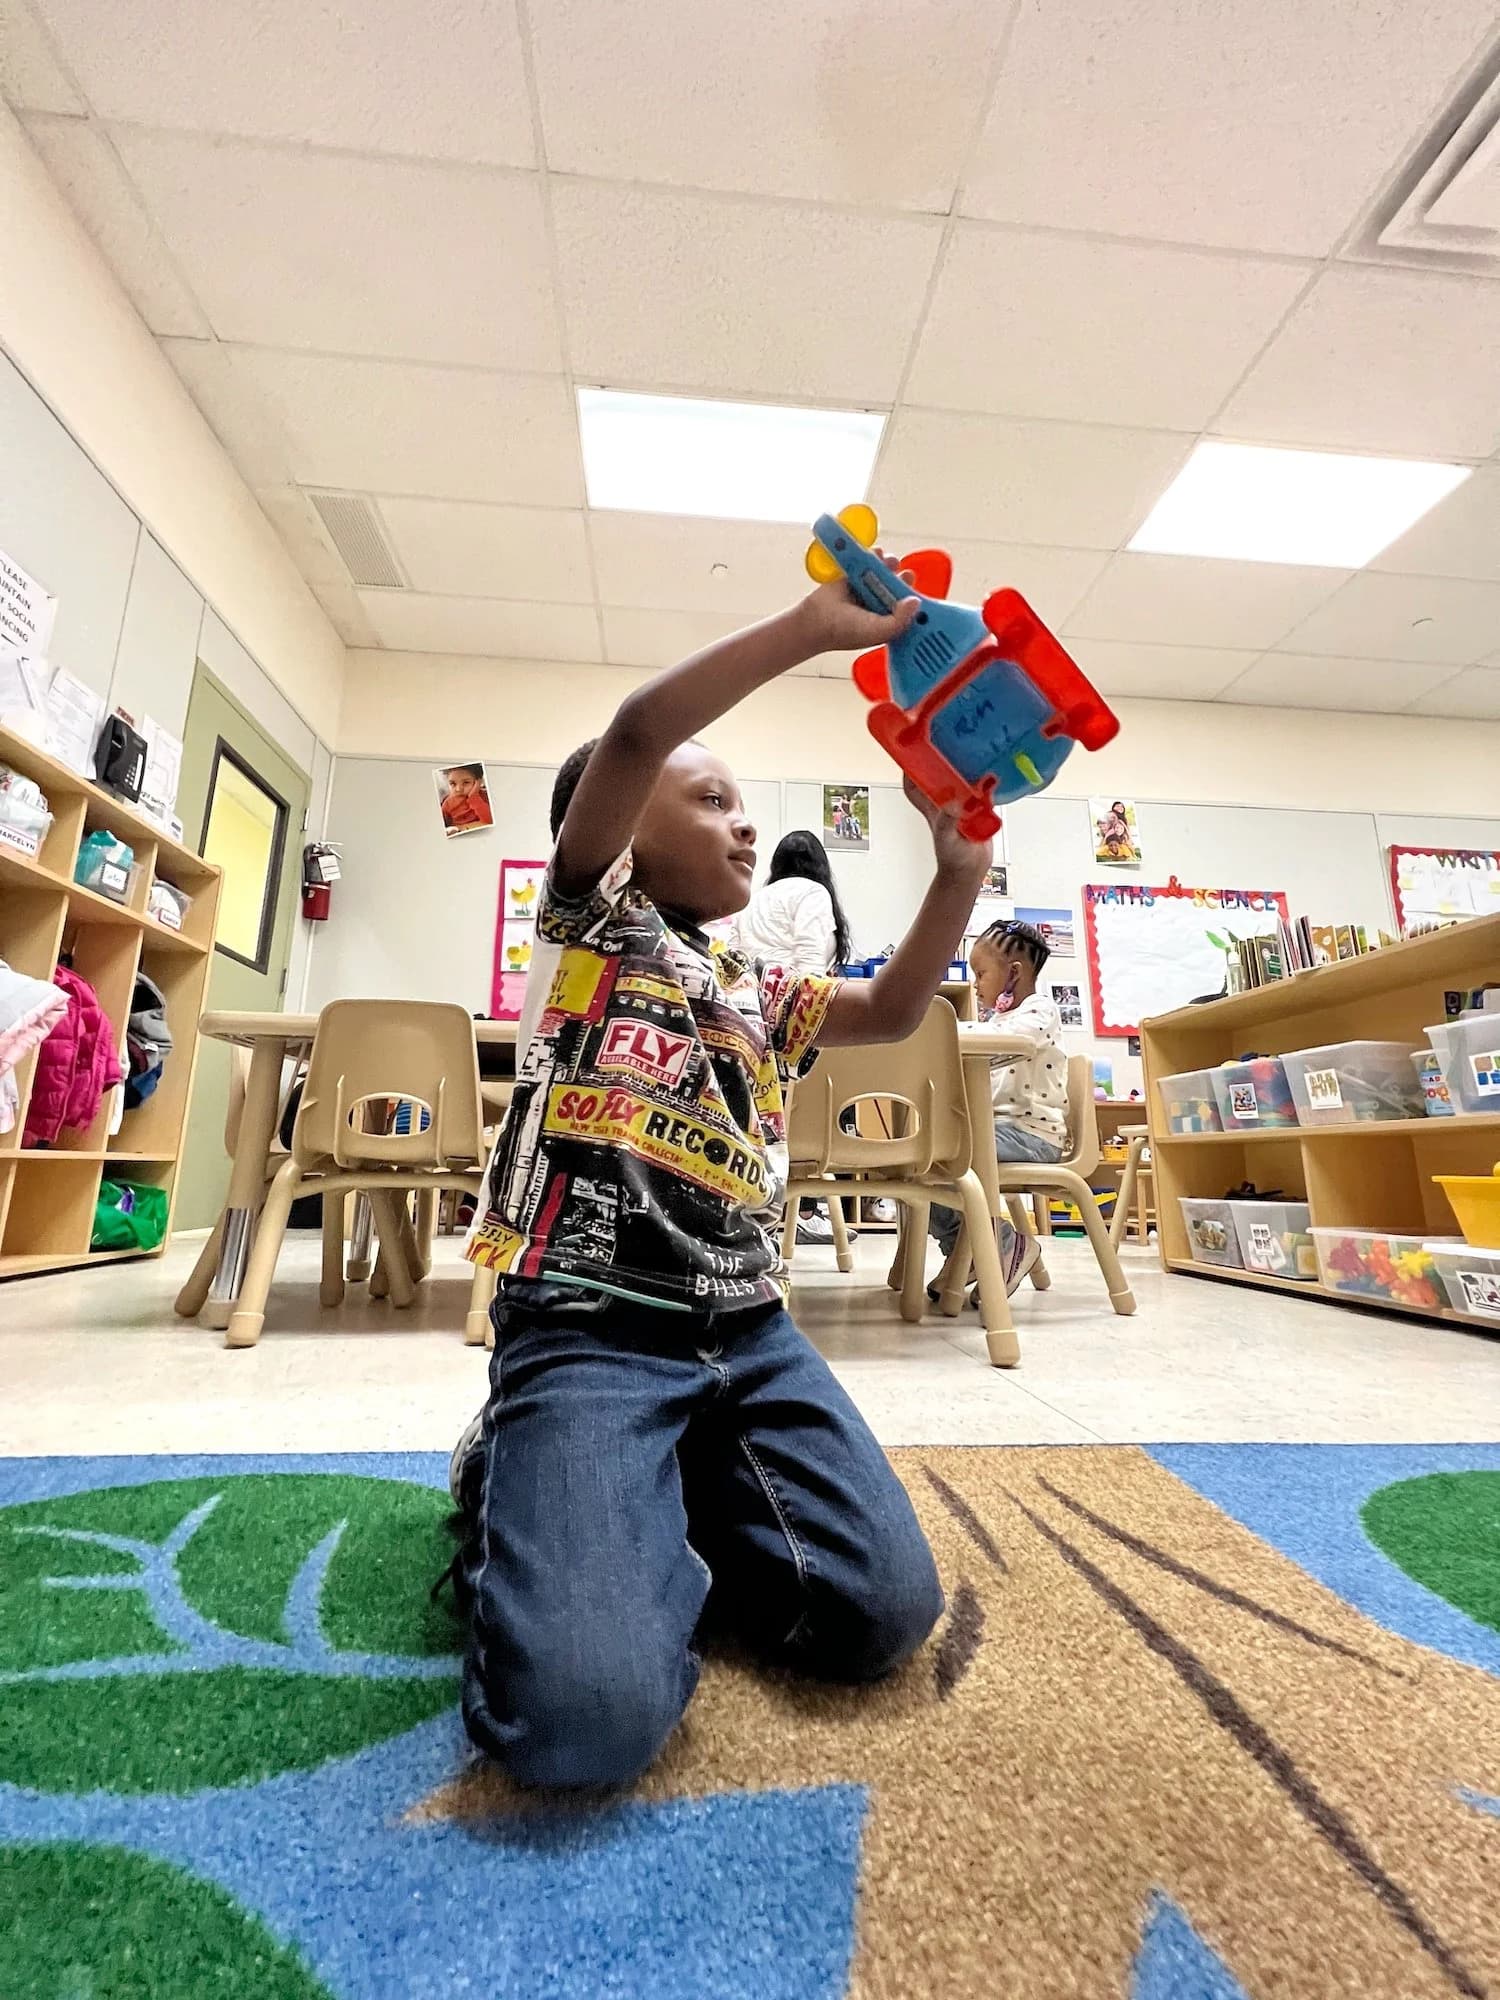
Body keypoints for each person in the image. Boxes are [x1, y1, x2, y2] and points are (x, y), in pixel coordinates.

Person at [450, 575, 990, 1790]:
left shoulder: (757, 980)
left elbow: (897, 1005)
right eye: (713, 799)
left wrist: (955, 866)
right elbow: (640, 727)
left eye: (748, 804)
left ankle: (659, 1492)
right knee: (578, 1725)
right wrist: (805, 633)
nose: (749, 825)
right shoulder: (590, 923)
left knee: (881, 1617)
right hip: (587, 1328)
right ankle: (525, 1479)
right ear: (629, 819)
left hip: (745, 1333)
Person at [928, 918, 1067, 1296]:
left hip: (1032, 1136)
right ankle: (968, 1253)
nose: (975, 982)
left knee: (945, 1157)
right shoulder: (999, 1020)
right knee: (926, 1161)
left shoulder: (1039, 1013)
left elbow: (1006, 1038)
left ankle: (1003, 1245)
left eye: (981, 972)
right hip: (1001, 1133)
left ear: (1014, 974)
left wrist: (939, 1029)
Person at [732, 830, 855, 1244]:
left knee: (766, 1115)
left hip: (748, 1017)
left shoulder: (754, 898)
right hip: (791, 1016)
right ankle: (806, 1212)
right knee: (818, 1107)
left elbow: (734, 953)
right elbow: (809, 963)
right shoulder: (813, 893)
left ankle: (776, 1209)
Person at [440, 763, 493, 833]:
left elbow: (489, 820)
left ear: (478, 782)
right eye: (453, 783)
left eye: (466, 782)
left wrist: (474, 797)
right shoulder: (447, 803)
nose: (458, 789)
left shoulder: (485, 796)